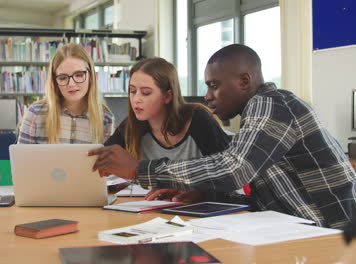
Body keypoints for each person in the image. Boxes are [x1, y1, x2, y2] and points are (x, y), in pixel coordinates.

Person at [90, 44, 356, 229]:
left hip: (335, 233)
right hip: (307, 228)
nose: (207, 96)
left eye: (213, 86)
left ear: (244, 81)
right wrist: (205, 195)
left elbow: (234, 169)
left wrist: (140, 169)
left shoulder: (271, 104)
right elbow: (262, 198)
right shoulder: (258, 116)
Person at [104, 57, 229, 201]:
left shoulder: (199, 120)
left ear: (168, 96)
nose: (136, 99)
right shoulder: (133, 125)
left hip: (205, 212)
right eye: (132, 91)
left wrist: (199, 192)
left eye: (145, 93)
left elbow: (229, 178)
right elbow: (103, 157)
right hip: (159, 210)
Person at [18, 43, 114, 144]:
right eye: (63, 78)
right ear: (54, 81)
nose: (71, 84)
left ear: (91, 76)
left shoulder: (105, 118)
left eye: (79, 75)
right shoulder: (35, 114)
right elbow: (21, 159)